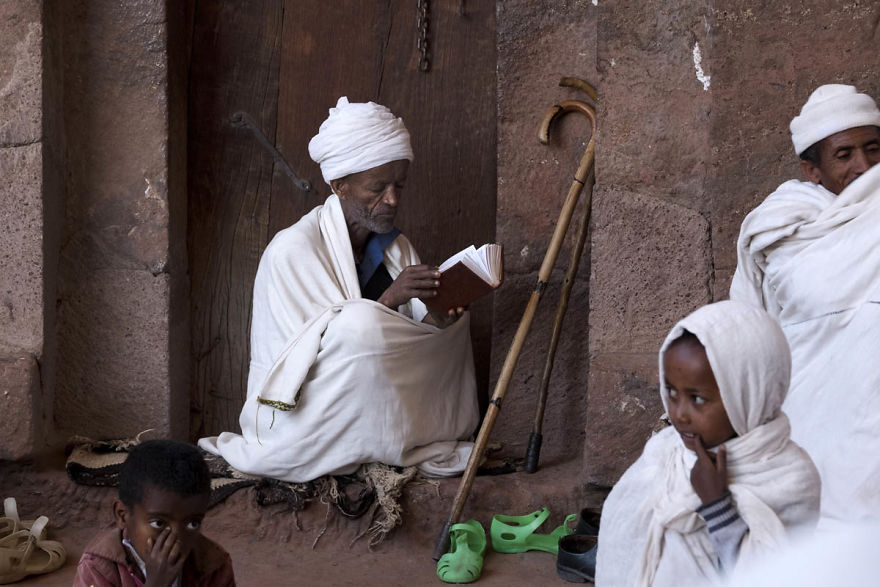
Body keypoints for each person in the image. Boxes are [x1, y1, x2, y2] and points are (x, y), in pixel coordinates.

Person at [199, 97, 479, 482]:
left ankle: (405, 433)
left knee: (456, 325)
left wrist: (438, 319)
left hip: (386, 404)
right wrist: (387, 301)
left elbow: (409, 342)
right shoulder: (292, 250)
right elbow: (309, 358)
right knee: (360, 322)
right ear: (339, 185)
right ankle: (367, 440)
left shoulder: (396, 248)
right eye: (377, 188)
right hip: (303, 415)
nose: (393, 199)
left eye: (399, 185)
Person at [729, 84, 880, 528]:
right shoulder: (780, 223)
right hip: (805, 404)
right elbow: (754, 318)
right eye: (844, 155)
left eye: (873, 149)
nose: (864, 166)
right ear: (812, 170)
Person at [595, 301, 820, 586]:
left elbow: (775, 576)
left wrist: (717, 506)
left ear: (748, 394)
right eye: (672, 393)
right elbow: (623, 544)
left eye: (697, 399)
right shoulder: (665, 452)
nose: (679, 414)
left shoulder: (790, 480)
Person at [73, 440, 235, 587]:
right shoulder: (99, 568)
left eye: (193, 523)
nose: (176, 541)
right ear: (122, 515)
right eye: (159, 523)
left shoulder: (213, 564)